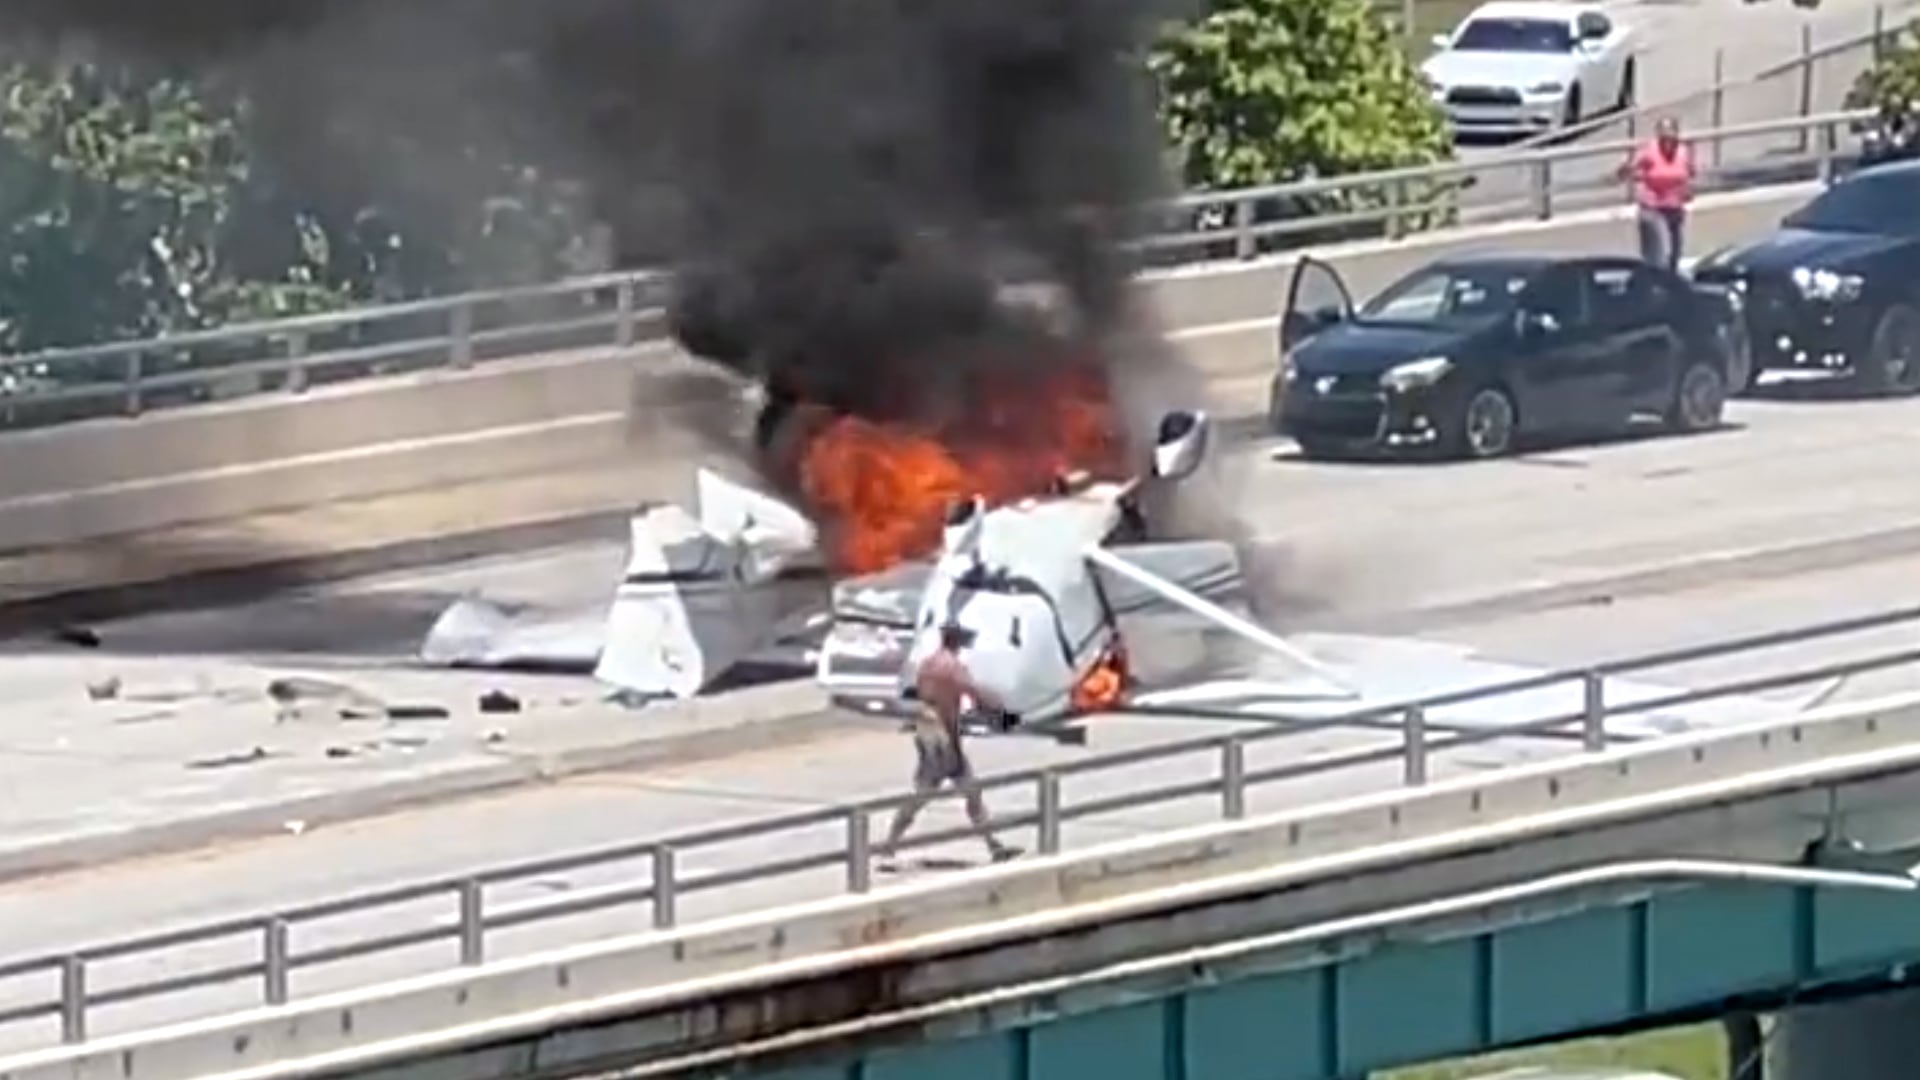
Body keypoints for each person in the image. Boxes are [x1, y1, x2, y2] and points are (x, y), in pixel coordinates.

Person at [874, 623, 1021, 870]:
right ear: (957, 641)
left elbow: (921, 696)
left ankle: (994, 845)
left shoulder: (928, 664)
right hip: (943, 737)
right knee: (926, 793)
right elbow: (975, 694)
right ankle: (888, 847)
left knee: (967, 790)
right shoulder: (953, 667)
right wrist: (1003, 711)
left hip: (928, 732)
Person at [1619, 117, 1695, 271]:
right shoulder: (1649, 151)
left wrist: (1687, 190)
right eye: (1663, 132)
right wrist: (1626, 170)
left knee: (1675, 253)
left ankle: (1670, 284)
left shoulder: (1683, 152)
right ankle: (1657, 283)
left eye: (1670, 132)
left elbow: (1689, 174)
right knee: (1661, 254)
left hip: (1675, 209)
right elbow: (1628, 170)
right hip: (1653, 209)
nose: (1667, 137)